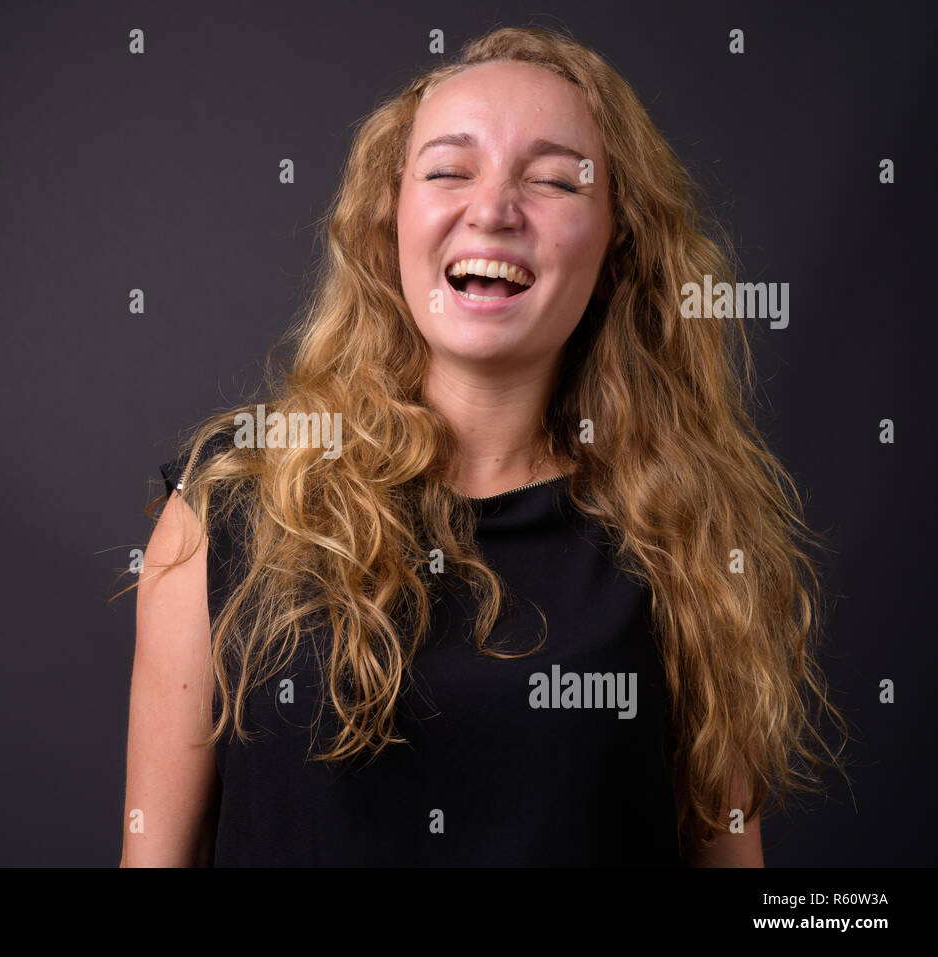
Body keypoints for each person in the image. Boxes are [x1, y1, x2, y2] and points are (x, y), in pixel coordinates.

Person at [118, 24, 848, 867]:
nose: (495, 210)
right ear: (390, 216)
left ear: (619, 239)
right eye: (448, 170)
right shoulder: (226, 509)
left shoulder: (689, 537)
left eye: (550, 181)